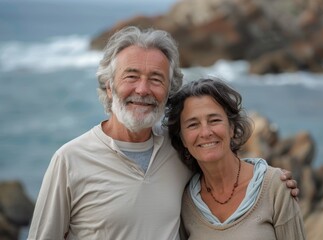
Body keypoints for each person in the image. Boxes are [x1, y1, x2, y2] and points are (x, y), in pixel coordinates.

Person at [28, 26, 299, 240]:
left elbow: (219, 162)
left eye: (156, 79)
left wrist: (269, 178)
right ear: (109, 87)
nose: (143, 90)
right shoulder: (69, 160)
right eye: (131, 76)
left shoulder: (179, 149)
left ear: (168, 91)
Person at [165, 77, 306, 239]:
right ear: (182, 138)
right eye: (193, 124)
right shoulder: (186, 203)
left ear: (232, 128)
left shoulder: (275, 186)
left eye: (214, 120)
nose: (206, 132)